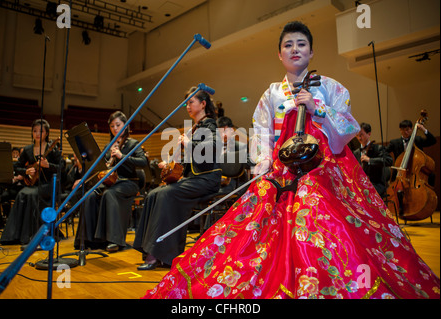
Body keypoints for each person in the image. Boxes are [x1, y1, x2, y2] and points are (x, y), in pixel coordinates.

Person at [142, 21, 440, 299]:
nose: (294, 49)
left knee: (317, 207)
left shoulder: (332, 87)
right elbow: (261, 136)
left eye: (301, 44)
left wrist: (318, 109)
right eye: (288, 45)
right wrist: (261, 166)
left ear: (311, 51)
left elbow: (349, 129)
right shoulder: (271, 94)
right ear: (280, 54)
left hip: (323, 169)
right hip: (282, 172)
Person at [133, 87, 222, 270]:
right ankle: (150, 249)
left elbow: (212, 148)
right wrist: (171, 166)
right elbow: (191, 160)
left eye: (191, 102)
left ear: (203, 104)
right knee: (154, 194)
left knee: (167, 194)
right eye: (187, 103)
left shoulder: (210, 125)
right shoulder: (196, 128)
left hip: (206, 180)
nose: (188, 106)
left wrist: (189, 143)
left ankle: (160, 254)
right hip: (194, 179)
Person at [73, 111, 147, 253]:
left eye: (118, 125)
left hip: (129, 182)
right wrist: (83, 179)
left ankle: (114, 240)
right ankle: (89, 240)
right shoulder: (109, 146)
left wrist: (121, 156)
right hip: (111, 183)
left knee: (110, 194)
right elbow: (100, 168)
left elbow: (143, 162)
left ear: (125, 126)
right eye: (112, 126)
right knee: (89, 195)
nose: (115, 128)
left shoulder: (133, 143)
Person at [0, 119, 62, 245]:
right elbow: (16, 167)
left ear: (47, 133)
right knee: (22, 193)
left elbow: (62, 169)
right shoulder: (27, 150)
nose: (37, 134)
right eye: (35, 131)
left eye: (41, 131)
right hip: (33, 184)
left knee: (30, 194)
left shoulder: (53, 149)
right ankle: (15, 235)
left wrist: (48, 165)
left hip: (48, 185)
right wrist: (26, 172)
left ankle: (33, 235)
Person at [386, 119, 436, 184]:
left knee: (431, 176)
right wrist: (391, 161)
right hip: (400, 172)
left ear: (411, 129)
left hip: (415, 171)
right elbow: (384, 152)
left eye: (407, 129)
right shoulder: (394, 143)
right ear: (400, 130)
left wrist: (423, 129)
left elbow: (433, 141)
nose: (405, 132)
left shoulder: (418, 140)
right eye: (403, 130)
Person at [353, 123, 393, 197]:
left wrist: (370, 160)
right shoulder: (356, 153)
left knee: (366, 195)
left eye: (361, 135)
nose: (359, 138)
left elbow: (389, 160)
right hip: (362, 185)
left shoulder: (378, 148)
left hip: (377, 184)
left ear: (369, 134)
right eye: (357, 135)